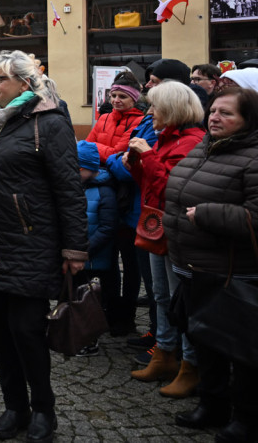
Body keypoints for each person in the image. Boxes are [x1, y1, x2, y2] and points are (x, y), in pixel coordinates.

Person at [0, 50, 87, 443]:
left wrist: (74, 249)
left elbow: (69, 190)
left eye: (0, 80)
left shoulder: (49, 123)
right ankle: (15, 407)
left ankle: (44, 408)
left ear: (25, 84)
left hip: (31, 244)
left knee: (27, 332)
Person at [164, 87, 258, 439]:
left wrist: (207, 213)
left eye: (227, 113)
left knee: (241, 348)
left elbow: (255, 217)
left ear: (248, 121)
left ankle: (246, 418)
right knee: (207, 341)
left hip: (233, 271)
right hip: (194, 266)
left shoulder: (253, 156)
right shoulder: (206, 147)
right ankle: (212, 404)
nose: (215, 117)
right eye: (213, 111)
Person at [126, 81, 205, 397]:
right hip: (158, 227)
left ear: (171, 109)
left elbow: (172, 187)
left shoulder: (190, 142)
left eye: (155, 107)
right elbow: (149, 184)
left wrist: (147, 157)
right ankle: (164, 354)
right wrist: (134, 162)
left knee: (179, 302)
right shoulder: (165, 139)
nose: (150, 112)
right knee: (160, 295)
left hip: (177, 232)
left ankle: (190, 365)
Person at [84, 72, 146, 337]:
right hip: (103, 183)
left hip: (125, 190)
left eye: (122, 96)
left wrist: (99, 151)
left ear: (133, 98)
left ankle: (127, 315)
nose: (117, 100)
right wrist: (102, 152)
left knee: (130, 262)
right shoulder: (105, 117)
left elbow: (122, 153)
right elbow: (89, 144)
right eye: (113, 95)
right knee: (107, 260)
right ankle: (108, 310)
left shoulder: (140, 121)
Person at [72, 140, 118, 356]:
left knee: (91, 301)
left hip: (94, 258)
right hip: (77, 254)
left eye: (78, 168)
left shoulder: (105, 192)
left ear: (89, 168)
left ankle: (90, 341)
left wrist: (86, 250)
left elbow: (108, 228)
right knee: (75, 296)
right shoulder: (76, 187)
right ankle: (74, 332)